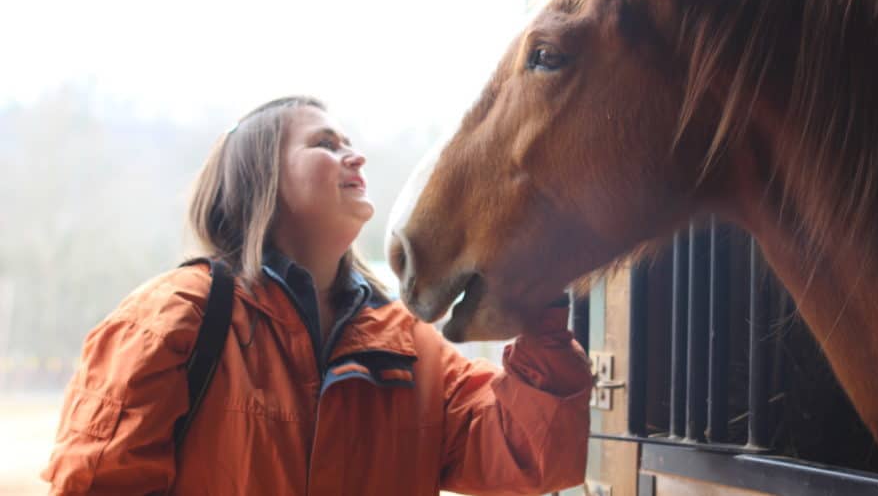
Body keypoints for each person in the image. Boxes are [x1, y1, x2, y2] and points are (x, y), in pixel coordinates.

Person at [42, 95, 592, 495]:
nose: (355, 157)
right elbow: (93, 485)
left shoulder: (413, 347)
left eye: (350, 143)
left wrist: (541, 310)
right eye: (326, 145)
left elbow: (527, 455)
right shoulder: (168, 319)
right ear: (262, 179)